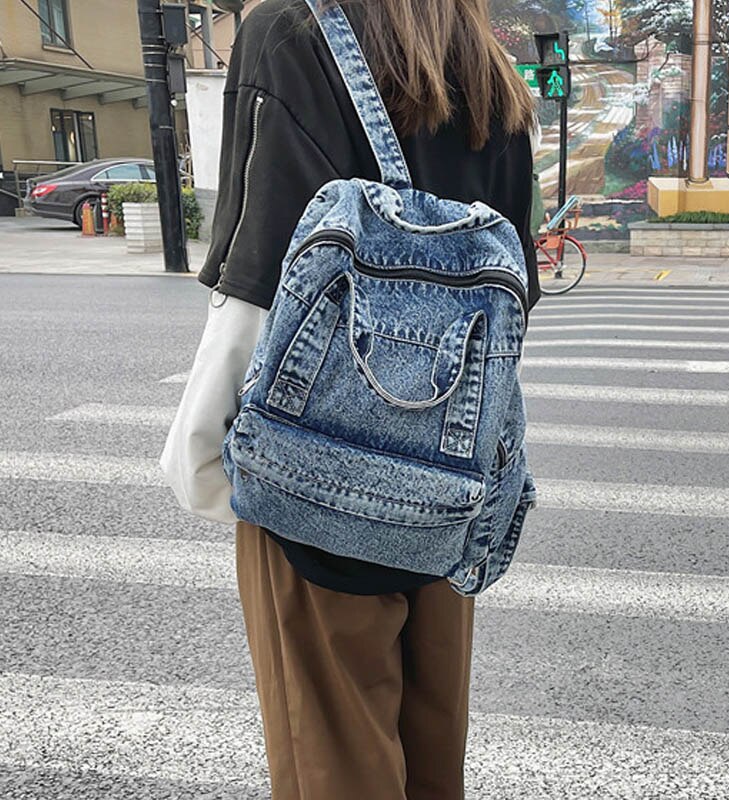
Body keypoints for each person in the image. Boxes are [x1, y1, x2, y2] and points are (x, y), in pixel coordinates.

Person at [160, 1, 540, 797]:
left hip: (315, 478)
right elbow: (510, 297)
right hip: (446, 482)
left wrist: (200, 454)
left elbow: (263, 274)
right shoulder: (489, 72)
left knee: (330, 762)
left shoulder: (288, 34)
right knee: (431, 757)